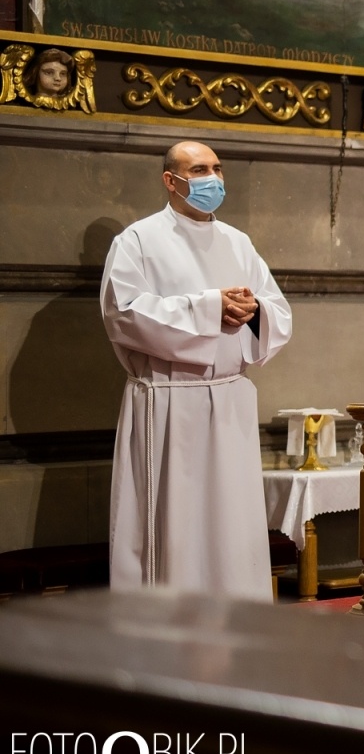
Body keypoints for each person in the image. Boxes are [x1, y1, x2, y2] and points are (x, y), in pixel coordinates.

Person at [100, 141, 291, 600]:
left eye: (217, 168)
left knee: (231, 525)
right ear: (172, 180)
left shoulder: (237, 242)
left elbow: (278, 311)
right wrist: (209, 309)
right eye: (200, 169)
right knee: (177, 526)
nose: (214, 179)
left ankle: (238, 628)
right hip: (168, 402)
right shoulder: (137, 241)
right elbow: (125, 314)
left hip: (228, 402)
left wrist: (253, 309)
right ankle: (167, 636)